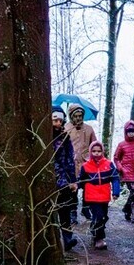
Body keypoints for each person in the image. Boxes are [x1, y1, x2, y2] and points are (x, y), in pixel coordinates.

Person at [78, 141, 120, 250]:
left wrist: (116, 192)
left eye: (99, 151)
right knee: (99, 216)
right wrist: (74, 188)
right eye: (94, 151)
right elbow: (81, 181)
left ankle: (95, 231)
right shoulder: (85, 166)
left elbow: (115, 178)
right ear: (90, 152)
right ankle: (99, 238)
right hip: (91, 196)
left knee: (103, 216)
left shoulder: (109, 164)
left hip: (104, 196)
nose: (96, 153)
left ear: (102, 151)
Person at [51, 106, 79, 251]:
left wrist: (73, 180)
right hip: (47, 179)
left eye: (60, 121)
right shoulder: (44, 136)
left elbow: (69, 160)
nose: (57, 123)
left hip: (63, 180)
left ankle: (67, 239)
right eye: (55, 120)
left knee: (65, 209)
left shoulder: (65, 137)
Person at [65, 103, 98, 221]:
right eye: (76, 116)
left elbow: (95, 145)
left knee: (88, 186)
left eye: (80, 115)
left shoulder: (89, 129)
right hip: (71, 163)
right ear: (71, 116)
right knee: (73, 187)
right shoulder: (66, 128)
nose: (78, 118)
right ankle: (73, 211)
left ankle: (85, 208)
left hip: (86, 163)